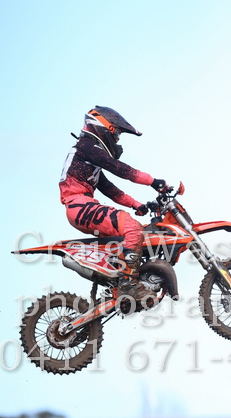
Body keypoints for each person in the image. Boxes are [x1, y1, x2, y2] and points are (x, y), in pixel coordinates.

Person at [59, 105, 166, 300]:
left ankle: (117, 282)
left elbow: (110, 189)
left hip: (82, 206)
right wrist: (153, 181)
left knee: (132, 235)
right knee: (133, 229)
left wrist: (137, 205)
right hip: (79, 206)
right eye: (116, 133)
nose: (116, 139)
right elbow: (118, 168)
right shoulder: (86, 147)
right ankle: (128, 284)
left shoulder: (87, 158)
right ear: (103, 127)